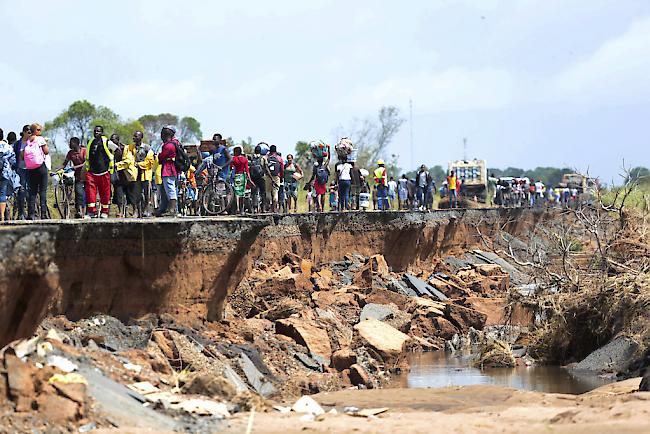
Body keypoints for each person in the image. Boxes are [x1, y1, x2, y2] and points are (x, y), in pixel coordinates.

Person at [84, 126, 113, 218]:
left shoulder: (107, 142)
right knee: (90, 193)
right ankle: (92, 212)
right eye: (95, 131)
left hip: (104, 172)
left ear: (102, 132)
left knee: (105, 193)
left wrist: (112, 161)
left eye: (98, 131)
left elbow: (117, 150)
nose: (96, 132)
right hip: (92, 172)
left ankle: (105, 211)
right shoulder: (90, 142)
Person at [22, 123, 50, 219]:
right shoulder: (40, 139)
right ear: (35, 130)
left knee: (32, 191)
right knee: (42, 190)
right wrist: (46, 144)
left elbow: (21, 156)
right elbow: (46, 151)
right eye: (38, 130)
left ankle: (31, 214)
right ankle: (43, 213)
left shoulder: (27, 140)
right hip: (40, 167)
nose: (40, 131)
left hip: (30, 169)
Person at [155, 126, 180, 217]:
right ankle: (165, 208)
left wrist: (160, 156)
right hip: (172, 169)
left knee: (170, 189)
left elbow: (161, 157)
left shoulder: (168, 145)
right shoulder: (175, 143)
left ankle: (172, 209)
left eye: (162, 134)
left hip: (168, 169)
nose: (161, 136)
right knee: (166, 189)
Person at [60, 137, 86, 218]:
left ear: (76, 143)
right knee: (78, 193)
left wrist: (75, 167)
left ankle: (87, 211)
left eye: (71, 143)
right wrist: (60, 169)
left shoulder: (84, 151)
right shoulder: (70, 153)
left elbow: (86, 163)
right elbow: (65, 163)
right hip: (78, 177)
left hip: (87, 176)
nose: (69, 144)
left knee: (87, 194)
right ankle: (79, 211)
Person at [131, 131, 155, 217]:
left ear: (141, 137)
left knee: (147, 194)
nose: (134, 137)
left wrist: (139, 164)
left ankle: (146, 210)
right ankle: (137, 211)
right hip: (135, 174)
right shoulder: (131, 148)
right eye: (134, 136)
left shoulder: (147, 148)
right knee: (137, 194)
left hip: (145, 174)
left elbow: (150, 162)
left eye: (136, 136)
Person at [0, 128, 17, 221]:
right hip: (4, 173)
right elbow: (13, 161)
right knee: (2, 193)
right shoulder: (8, 147)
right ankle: (2, 215)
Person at [230, 146, 251, 214]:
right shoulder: (245, 159)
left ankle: (237, 208)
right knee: (242, 193)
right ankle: (241, 209)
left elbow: (231, 167)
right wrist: (249, 179)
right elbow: (247, 170)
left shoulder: (233, 159)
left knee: (236, 193)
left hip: (236, 176)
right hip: (242, 176)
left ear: (236, 152)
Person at [249, 144, 268, 213]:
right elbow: (266, 168)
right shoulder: (263, 158)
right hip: (261, 177)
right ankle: (263, 208)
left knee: (254, 193)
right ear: (260, 151)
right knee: (263, 193)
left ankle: (255, 208)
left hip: (253, 177)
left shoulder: (251, 157)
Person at [265, 145, 284, 213]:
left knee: (268, 192)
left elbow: (264, 167)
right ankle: (275, 208)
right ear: (276, 151)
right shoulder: (279, 158)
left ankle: (270, 206)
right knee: (275, 193)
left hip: (268, 177)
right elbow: (282, 169)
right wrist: (281, 177)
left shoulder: (267, 158)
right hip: (276, 177)